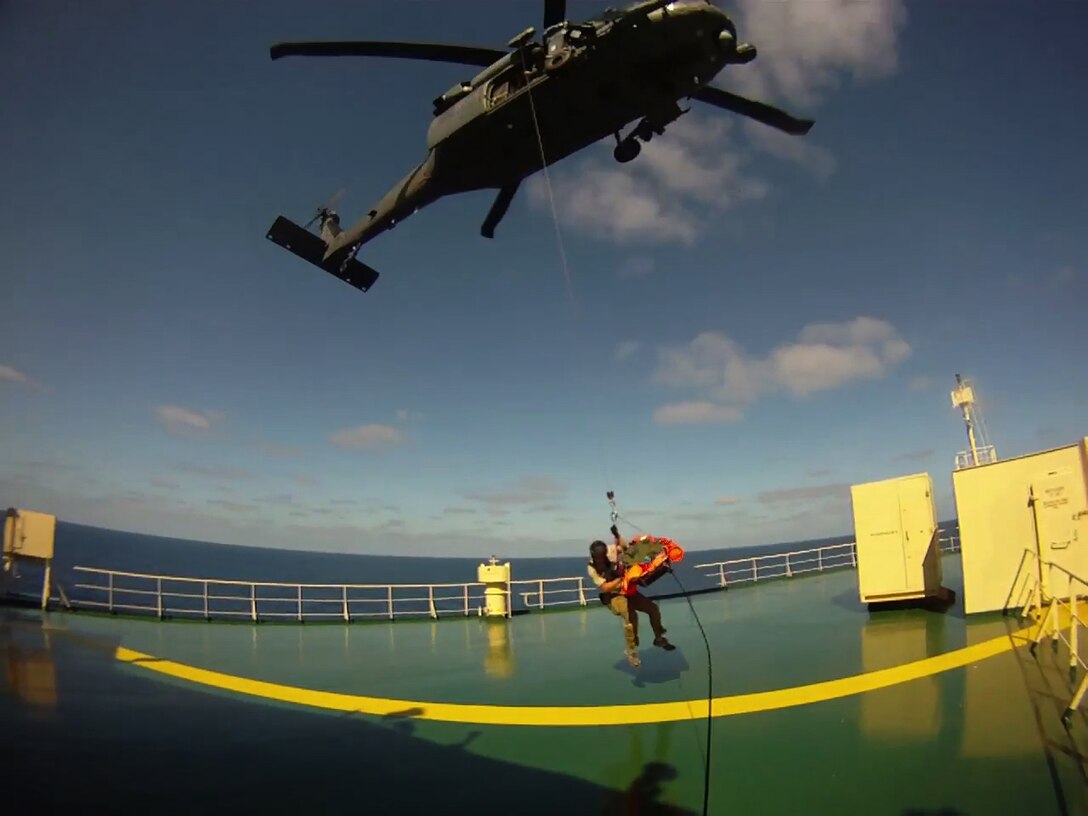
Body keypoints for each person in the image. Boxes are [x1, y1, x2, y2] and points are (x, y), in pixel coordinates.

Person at [588, 524, 674, 668]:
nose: (600, 560)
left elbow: (623, 547)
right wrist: (620, 578)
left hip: (629, 592)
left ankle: (659, 637)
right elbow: (606, 587)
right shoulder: (592, 568)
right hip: (614, 596)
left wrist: (617, 535)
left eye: (601, 557)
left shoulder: (610, 552)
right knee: (631, 616)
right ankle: (631, 651)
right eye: (597, 558)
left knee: (653, 609)